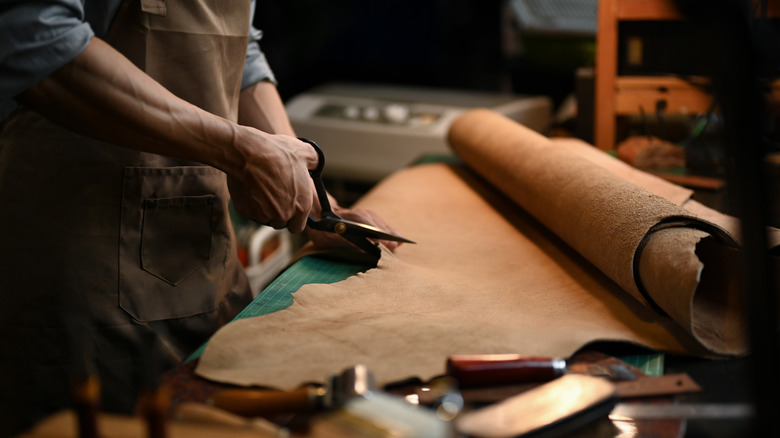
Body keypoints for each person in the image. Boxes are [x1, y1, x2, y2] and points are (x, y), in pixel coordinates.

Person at [0, 1, 401, 435]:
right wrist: (237, 150)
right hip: (82, 258)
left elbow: (241, 55)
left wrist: (315, 201)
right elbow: (34, 40)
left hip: (204, 260)